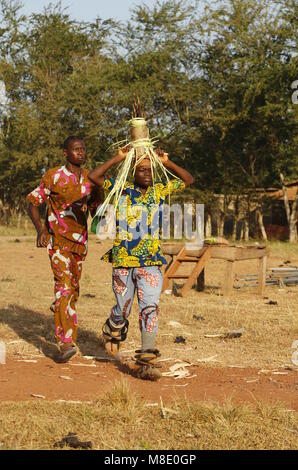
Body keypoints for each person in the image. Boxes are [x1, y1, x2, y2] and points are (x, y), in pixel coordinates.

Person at [88, 147, 194, 379]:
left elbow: (188, 179)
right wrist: (119, 157)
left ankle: (147, 358)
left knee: (150, 307)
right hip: (123, 261)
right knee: (123, 309)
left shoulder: (159, 190)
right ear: (132, 171)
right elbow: (93, 177)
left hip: (151, 262)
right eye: (142, 169)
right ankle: (114, 327)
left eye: (150, 170)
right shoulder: (120, 189)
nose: (147, 173)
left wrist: (166, 162)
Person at [27, 136, 101, 363]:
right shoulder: (53, 176)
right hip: (57, 241)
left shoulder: (91, 178)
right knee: (65, 287)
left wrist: (102, 204)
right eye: (76, 149)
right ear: (65, 153)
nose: (80, 153)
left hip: (80, 243)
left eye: (83, 149)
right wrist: (41, 229)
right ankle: (65, 343)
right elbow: (32, 202)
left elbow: (95, 210)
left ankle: (60, 305)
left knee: (73, 290)